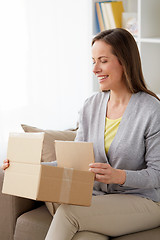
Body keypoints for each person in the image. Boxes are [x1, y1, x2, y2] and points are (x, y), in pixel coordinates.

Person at [1, 28, 160, 240]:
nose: (95, 69)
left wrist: (119, 176)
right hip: (98, 199)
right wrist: (30, 167)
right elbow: (74, 163)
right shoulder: (90, 106)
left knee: (67, 213)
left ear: (124, 61)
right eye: (93, 60)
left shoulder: (151, 110)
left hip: (144, 202)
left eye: (102, 60)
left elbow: (157, 174)